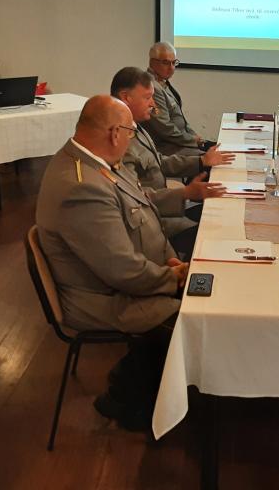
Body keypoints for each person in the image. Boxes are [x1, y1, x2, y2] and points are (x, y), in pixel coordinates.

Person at [35, 96, 190, 430]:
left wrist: (171, 260)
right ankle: (135, 402)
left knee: (206, 294)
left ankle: (136, 383)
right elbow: (123, 271)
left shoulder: (98, 163)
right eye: (131, 132)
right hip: (105, 298)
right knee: (195, 320)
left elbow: (147, 217)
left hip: (128, 280)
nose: (132, 139)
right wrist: (174, 278)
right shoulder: (81, 186)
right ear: (114, 133)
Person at [110, 66, 234, 255]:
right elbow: (133, 199)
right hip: (152, 223)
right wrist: (184, 193)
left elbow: (159, 162)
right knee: (215, 232)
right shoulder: (120, 141)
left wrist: (201, 161)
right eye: (147, 97)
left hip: (163, 209)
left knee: (221, 214)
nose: (153, 104)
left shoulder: (137, 127)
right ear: (126, 97)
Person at [143, 41, 212, 155]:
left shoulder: (162, 82)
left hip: (181, 142)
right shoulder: (153, 87)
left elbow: (180, 119)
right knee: (213, 158)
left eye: (174, 63)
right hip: (168, 147)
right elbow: (165, 128)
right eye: (166, 63)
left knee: (218, 150)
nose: (171, 68)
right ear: (152, 62)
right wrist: (192, 140)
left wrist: (194, 136)